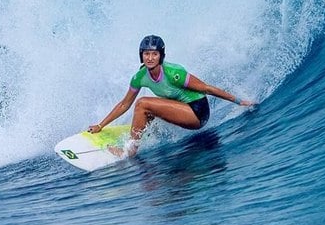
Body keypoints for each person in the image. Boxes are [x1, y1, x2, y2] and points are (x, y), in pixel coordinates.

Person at [88, 34, 254, 157]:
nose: (150, 58)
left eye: (154, 54)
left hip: (197, 112)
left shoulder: (174, 73)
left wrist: (239, 101)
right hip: (182, 111)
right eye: (146, 54)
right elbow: (124, 104)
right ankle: (142, 137)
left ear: (161, 55)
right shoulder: (139, 77)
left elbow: (206, 88)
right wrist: (101, 125)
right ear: (141, 55)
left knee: (143, 103)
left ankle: (129, 151)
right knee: (147, 110)